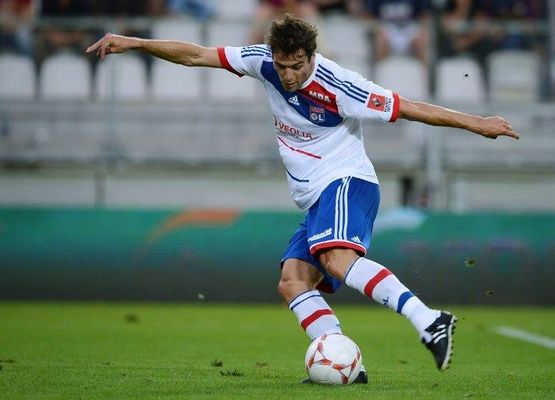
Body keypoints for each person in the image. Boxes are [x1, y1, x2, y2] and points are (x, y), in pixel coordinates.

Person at [86, 14, 519, 383]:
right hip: (315, 198)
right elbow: (198, 54)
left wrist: (477, 122)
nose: (288, 74)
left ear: (310, 56)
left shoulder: (340, 85)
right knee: (292, 281)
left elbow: (410, 107)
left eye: (296, 65)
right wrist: (134, 42)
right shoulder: (262, 63)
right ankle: (346, 361)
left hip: (347, 181)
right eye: (282, 64)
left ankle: (428, 319)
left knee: (334, 261)